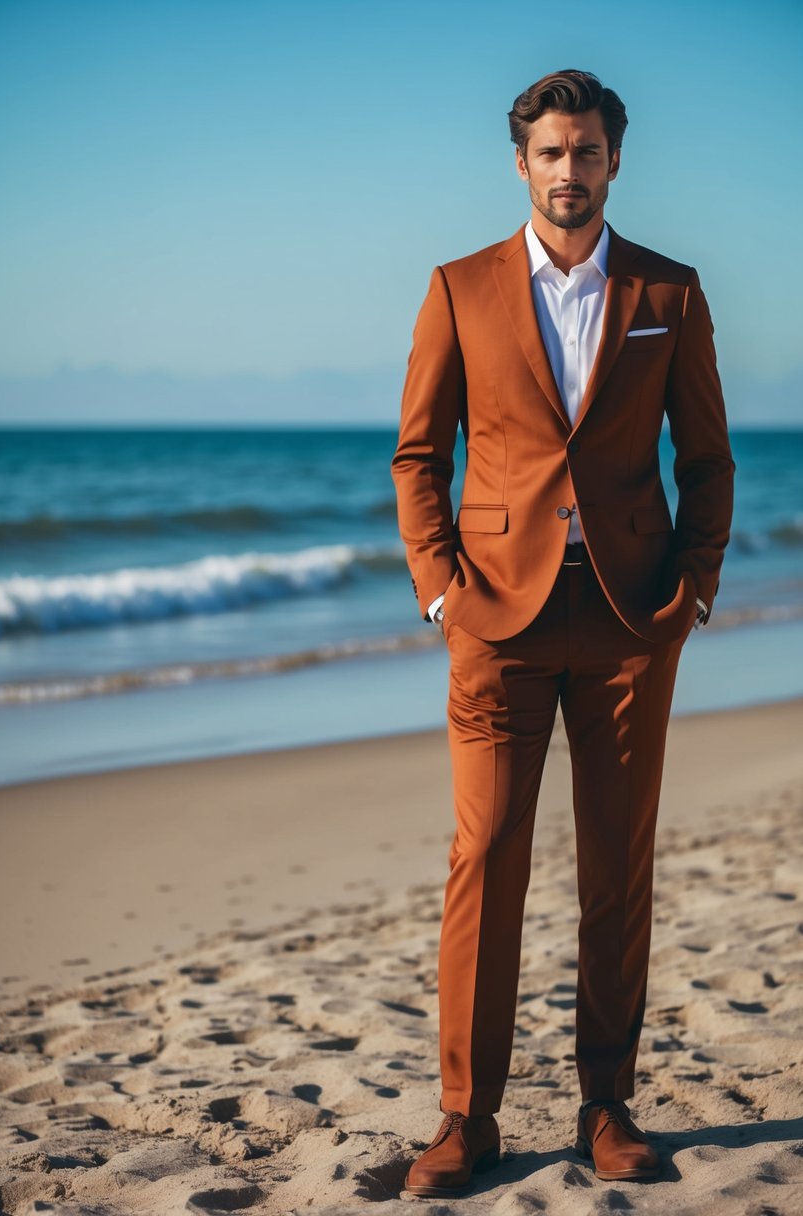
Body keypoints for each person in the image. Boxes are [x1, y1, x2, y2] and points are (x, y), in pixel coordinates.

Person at [391, 69, 734, 1198]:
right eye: (550, 153)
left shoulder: (667, 293)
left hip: (633, 618)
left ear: (614, 161)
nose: (569, 172)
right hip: (496, 615)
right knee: (483, 855)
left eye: (586, 152)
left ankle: (605, 1104)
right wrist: (440, 588)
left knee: (614, 866)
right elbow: (417, 457)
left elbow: (708, 458)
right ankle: (464, 1115)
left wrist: (692, 589)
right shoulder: (457, 288)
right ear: (522, 163)